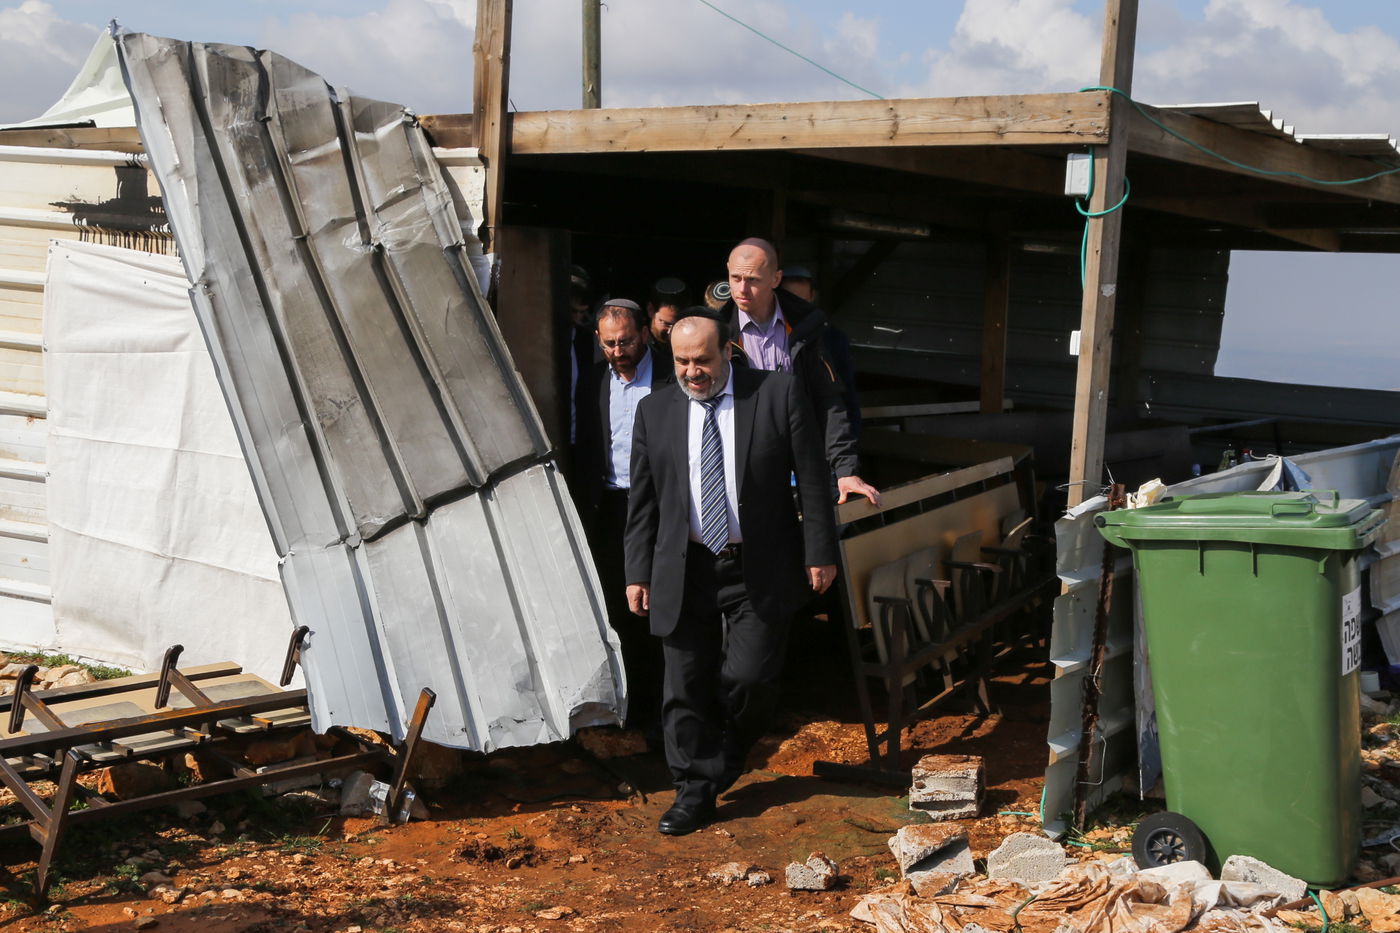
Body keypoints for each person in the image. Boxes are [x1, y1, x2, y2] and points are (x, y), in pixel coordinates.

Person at [624, 312, 838, 835]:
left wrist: (820, 552)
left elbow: (812, 477)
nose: (692, 371)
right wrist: (638, 571)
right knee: (684, 684)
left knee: (750, 678)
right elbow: (643, 502)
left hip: (758, 564)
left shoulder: (776, 394)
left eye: (703, 360)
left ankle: (729, 753)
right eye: (681, 361)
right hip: (685, 564)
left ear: (729, 352)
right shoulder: (655, 410)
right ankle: (693, 792)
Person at [723, 238, 879, 506]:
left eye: (753, 280)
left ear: (775, 279)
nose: (742, 289)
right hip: (741, 468)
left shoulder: (807, 328)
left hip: (804, 462)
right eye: (735, 278)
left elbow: (829, 401)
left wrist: (845, 470)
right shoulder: (716, 331)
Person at [574, 299, 666, 736]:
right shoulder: (593, 381)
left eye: (625, 341)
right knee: (618, 606)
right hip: (612, 506)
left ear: (645, 334)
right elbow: (588, 445)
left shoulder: (669, 376)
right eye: (609, 343)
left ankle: (666, 704)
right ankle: (634, 706)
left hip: (663, 507)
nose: (618, 351)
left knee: (661, 602)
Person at [647, 276, 689, 349]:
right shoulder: (639, 349)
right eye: (667, 324)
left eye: (678, 324)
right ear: (650, 310)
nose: (672, 332)